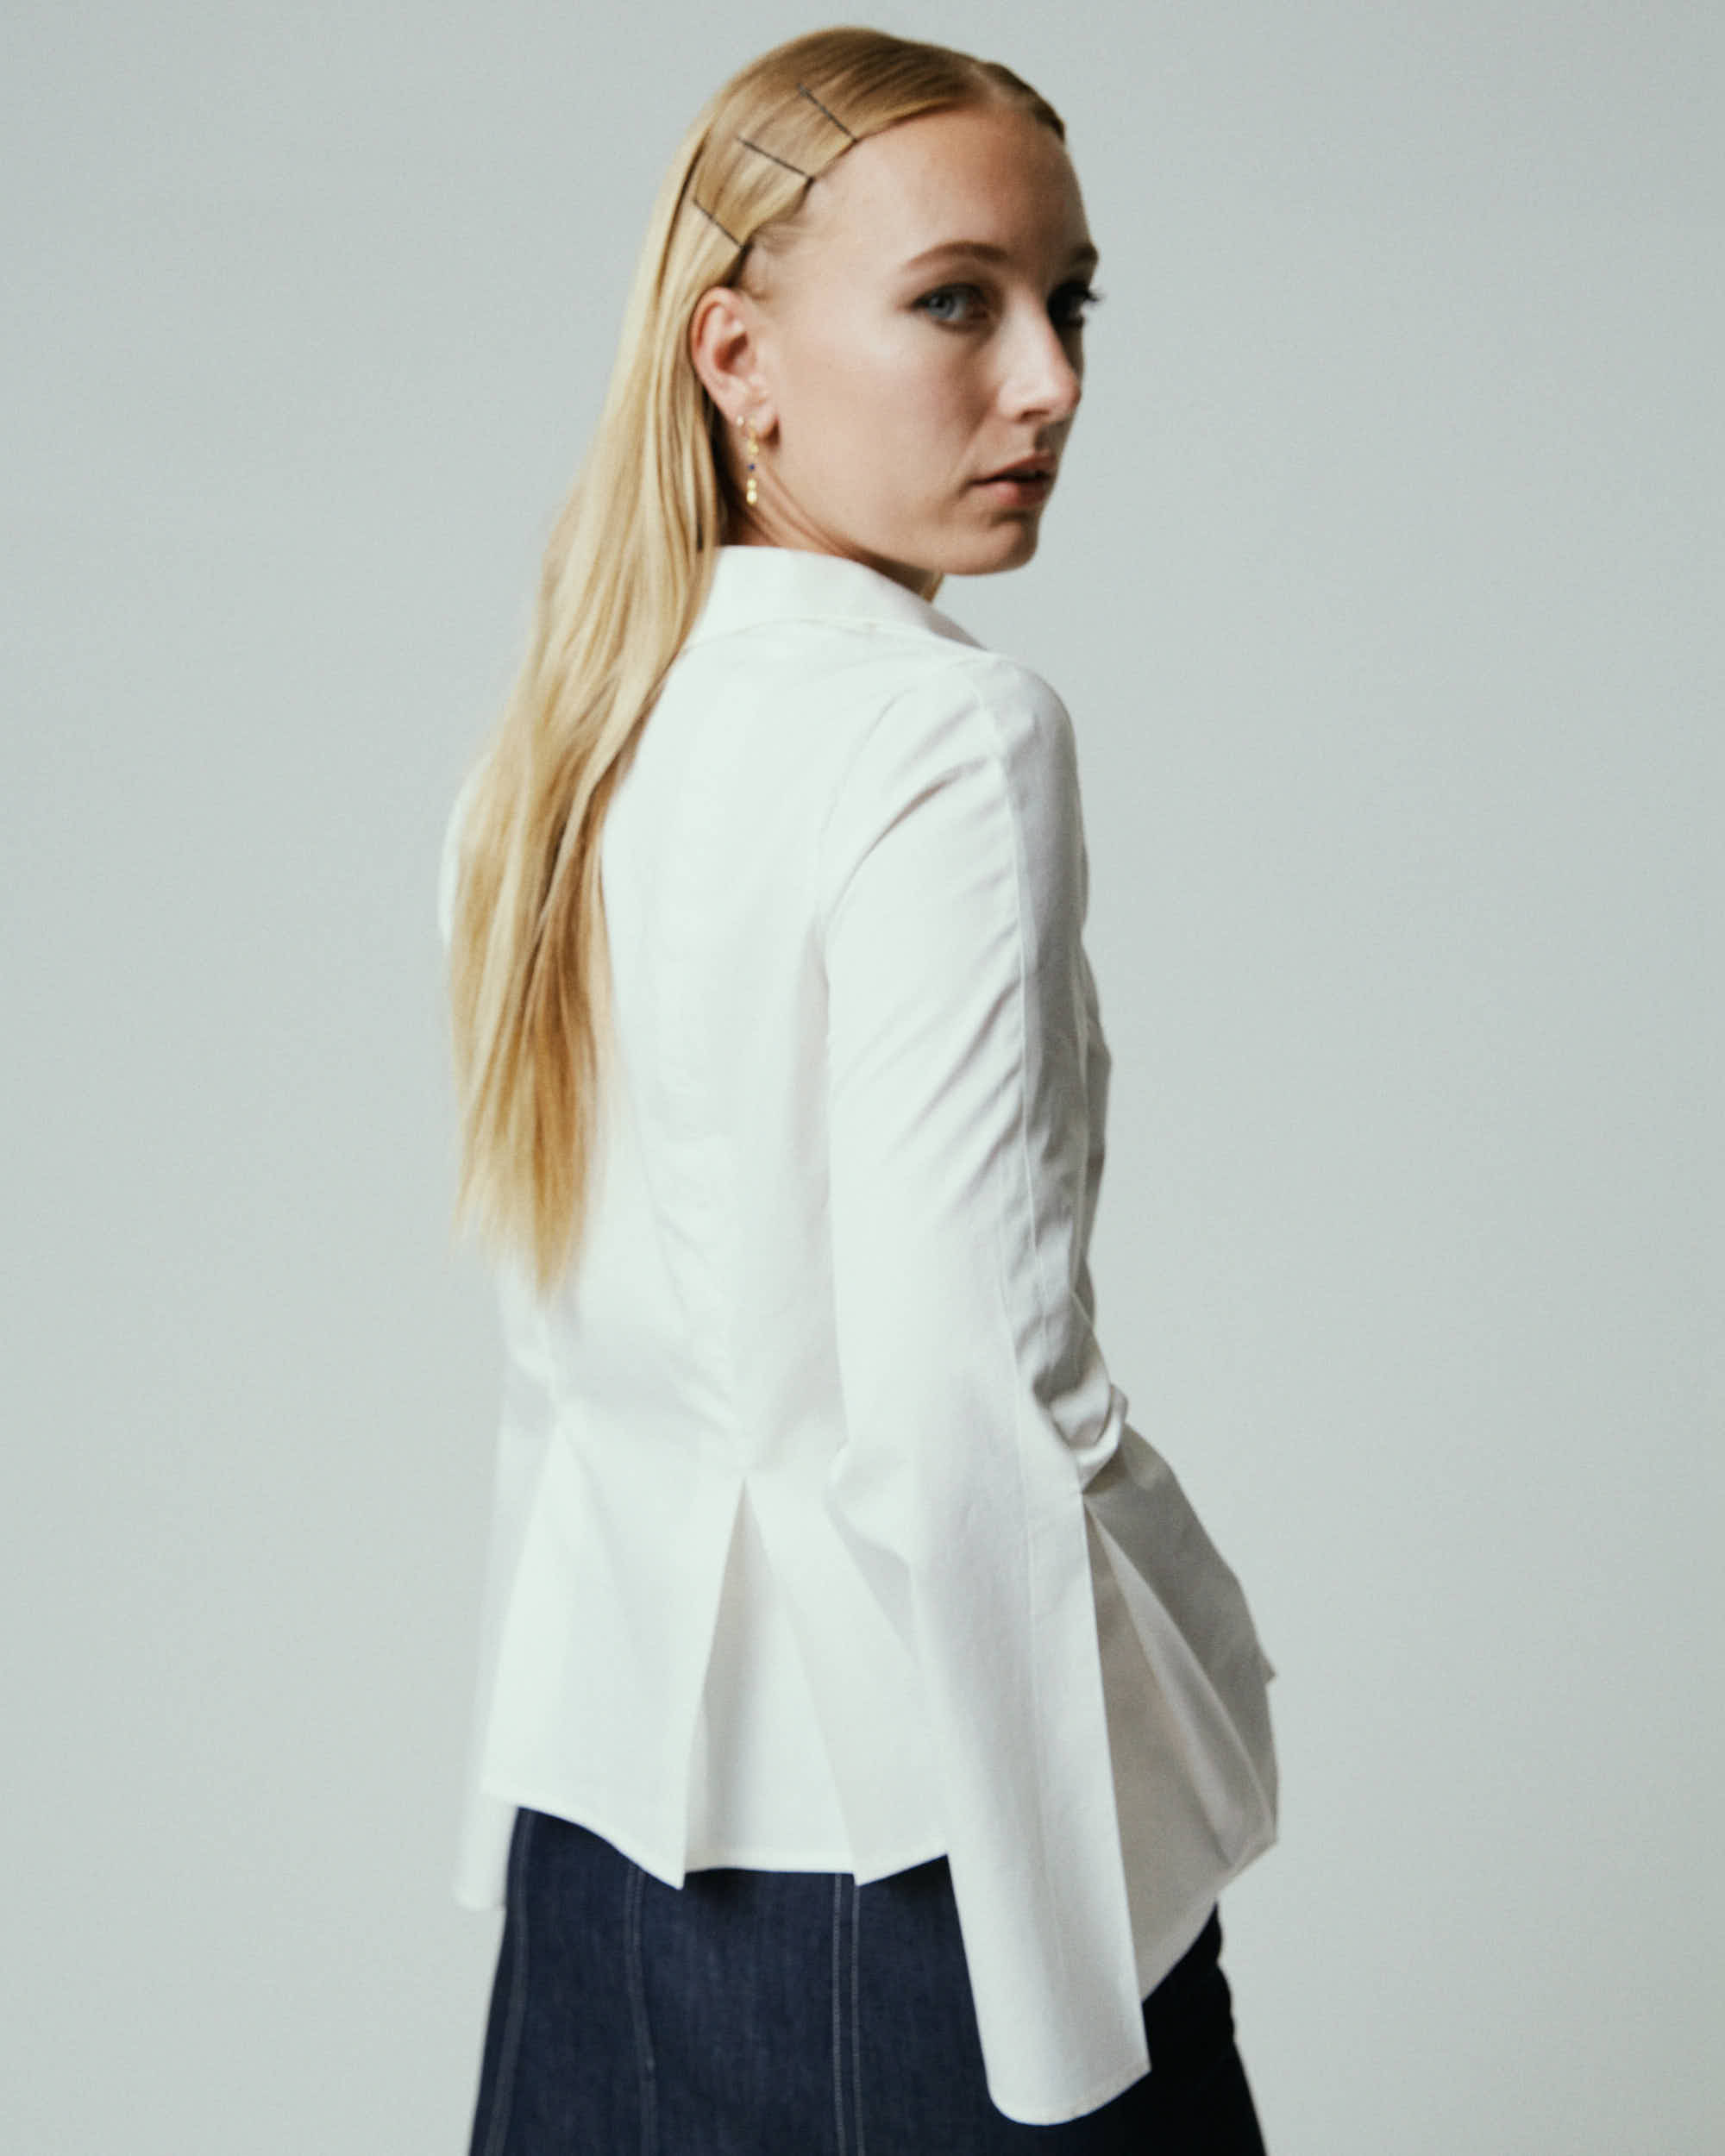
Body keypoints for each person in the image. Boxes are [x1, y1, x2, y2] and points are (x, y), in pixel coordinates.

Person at [438, 26, 1281, 2153]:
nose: (1049, 380)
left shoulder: (555, 754)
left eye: (1068, 302)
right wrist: (1070, 1985)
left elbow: (558, 1364)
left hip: (599, 1841)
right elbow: (957, 1389)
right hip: (929, 1856)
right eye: (955, 302)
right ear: (734, 356)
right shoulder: (944, 738)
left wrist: (507, 1824)